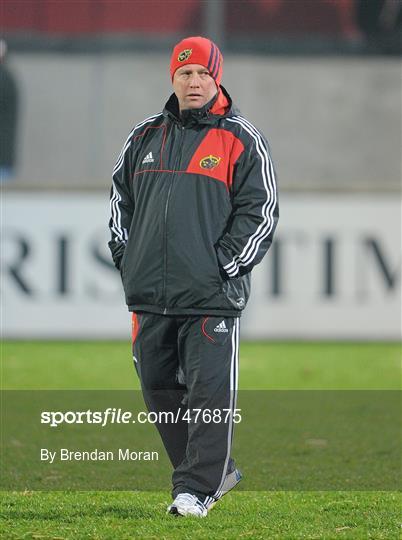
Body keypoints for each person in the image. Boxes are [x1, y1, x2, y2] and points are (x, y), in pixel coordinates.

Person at [108, 36, 279, 517]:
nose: (195, 81)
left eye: (203, 73)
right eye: (185, 73)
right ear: (173, 78)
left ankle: (196, 488)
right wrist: (129, 259)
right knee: (158, 389)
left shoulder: (241, 138)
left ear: (217, 77)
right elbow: (119, 206)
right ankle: (215, 472)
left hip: (210, 296)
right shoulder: (143, 137)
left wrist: (222, 264)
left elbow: (260, 212)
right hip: (149, 296)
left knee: (208, 394)